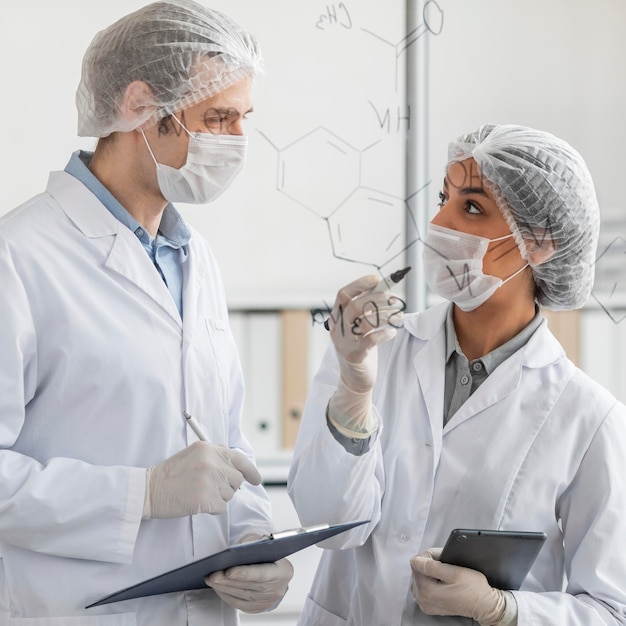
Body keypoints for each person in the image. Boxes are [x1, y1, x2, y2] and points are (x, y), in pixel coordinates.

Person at [0, 1, 294, 623]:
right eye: (217, 117)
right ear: (138, 105)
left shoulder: (194, 258)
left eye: (244, 118)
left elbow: (223, 438)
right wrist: (144, 495)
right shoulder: (18, 257)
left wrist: (254, 540)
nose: (237, 142)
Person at [287, 123, 626, 625]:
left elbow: (609, 608)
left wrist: (505, 611)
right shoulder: (371, 351)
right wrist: (355, 389)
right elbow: (327, 524)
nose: (439, 221)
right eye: (443, 197)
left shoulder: (588, 418)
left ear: (541, 243)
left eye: (471, 207)